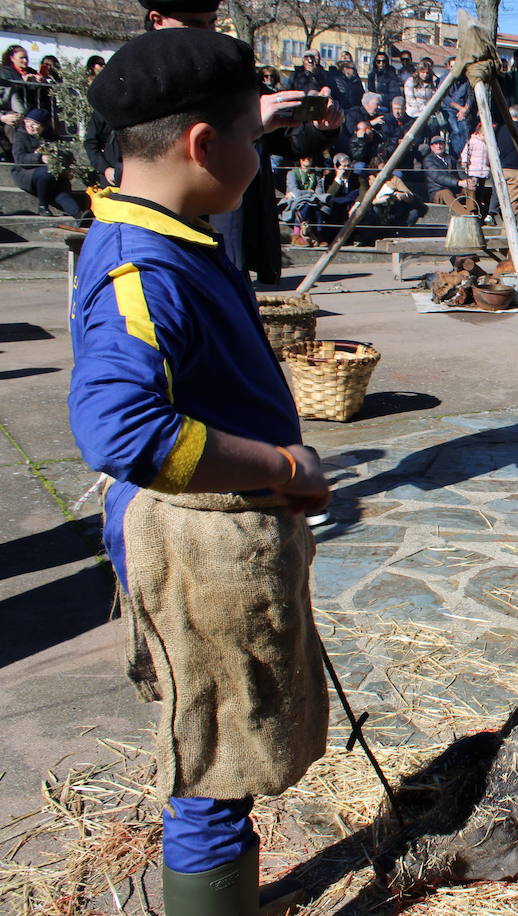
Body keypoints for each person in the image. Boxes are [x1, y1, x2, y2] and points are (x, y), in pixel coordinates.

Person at [71, 28, 330, 915]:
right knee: (214, 770)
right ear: (201, 147)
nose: (260, 159)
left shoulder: (170, 230)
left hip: (230, 539)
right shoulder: (142, 269)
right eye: (251, 141)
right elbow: (119, 426)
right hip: (196, 552)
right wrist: (281, 464)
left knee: (229, 761)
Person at [11, 108, 83, 216]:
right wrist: (40, 158)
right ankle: (42, 205)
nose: (30, 126)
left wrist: (56, 154)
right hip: (27, 173)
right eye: (28, 122)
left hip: (51, 177)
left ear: (44, 127)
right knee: (46, 173)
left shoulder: (52, 137)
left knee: (61, 190)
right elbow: (20, 158)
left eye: (35, 124)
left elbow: (68, 154)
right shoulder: (21, 136)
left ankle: (79, 215)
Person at [280, 153, 327, 244]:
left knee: (319, 209)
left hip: (312, 201)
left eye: (309, 157)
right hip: (295, 201)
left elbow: (319, 192)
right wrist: (310, 192)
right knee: (304, 205)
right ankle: (296, 235)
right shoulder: (292, 173)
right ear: (300, 160)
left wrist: (309, 194)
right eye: (304, 157)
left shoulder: (316, 175)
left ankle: (318, 235)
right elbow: (295, 192)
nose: (307, 159)